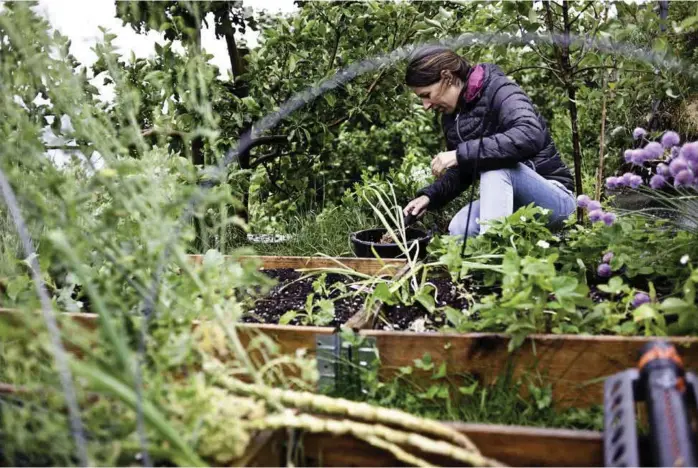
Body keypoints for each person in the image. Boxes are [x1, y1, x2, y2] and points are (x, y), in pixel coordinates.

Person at [402, 46, 576, 238]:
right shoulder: (452, 117)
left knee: (495, 166)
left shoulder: (499, 89)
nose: (426, 106)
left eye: (426, 95)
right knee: (460, 227)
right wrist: (429, 196)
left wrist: (460, 154)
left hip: (555, 200)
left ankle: (492, 260)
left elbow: (530, 133)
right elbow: (464, 169)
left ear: (447, 77)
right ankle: (472, 267)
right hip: (512, 201)